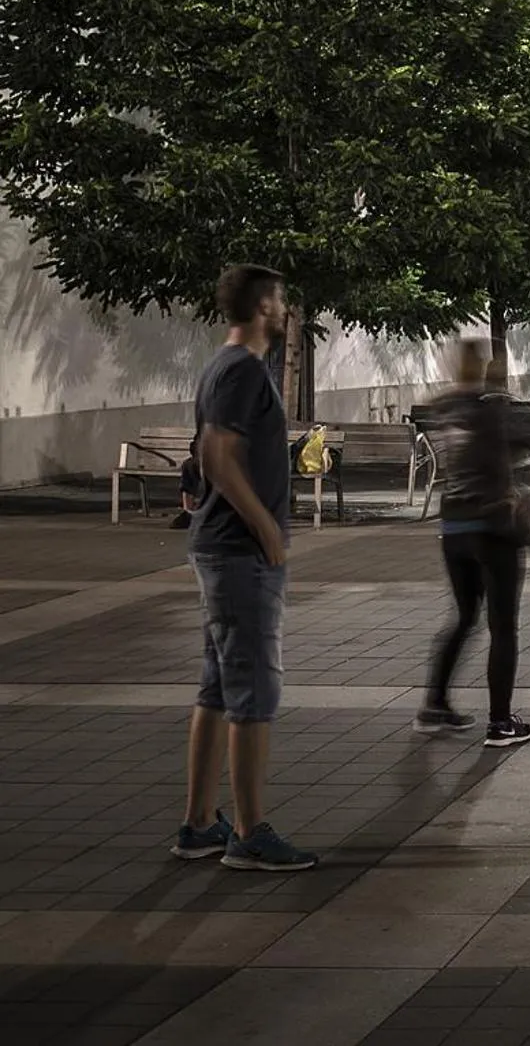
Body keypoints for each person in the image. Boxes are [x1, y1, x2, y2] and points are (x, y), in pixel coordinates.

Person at [174, 265, 318, 871]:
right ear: (263, 305)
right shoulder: (239, 369)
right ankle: (250, 832)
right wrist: (265, 527)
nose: (288, 311)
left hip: (225, 549)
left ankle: (200, 823)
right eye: (282, 300)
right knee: (254, 690)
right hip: (239, 552)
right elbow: (217, 453)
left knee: (218, 688)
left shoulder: (227, 366)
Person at [418, 338, 530, 748]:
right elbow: (526, 439)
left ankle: (435, 704)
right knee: (503, 626)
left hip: (454, 527)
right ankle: (501, 722)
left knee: (466, 616)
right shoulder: (491, 410)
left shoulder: (445, 407)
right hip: (493, 529)